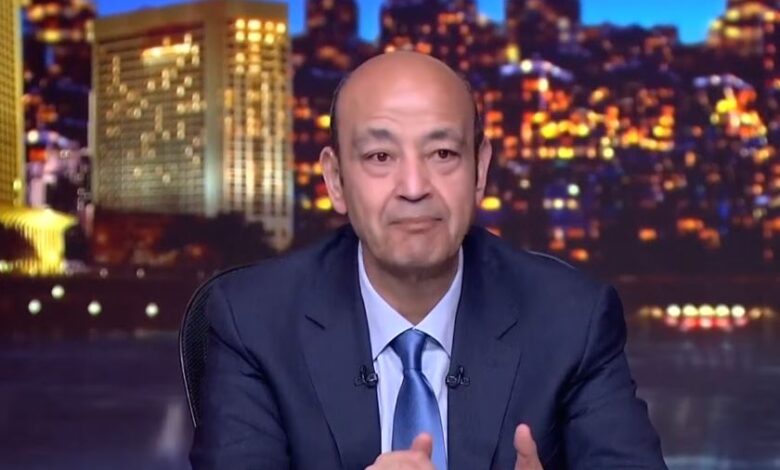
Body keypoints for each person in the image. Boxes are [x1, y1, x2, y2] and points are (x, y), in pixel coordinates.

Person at [189, 51, 666, 469]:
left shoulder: (572, 319)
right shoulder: (252, 320)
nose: (414, 187)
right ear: (335, 180)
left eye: (442, 153)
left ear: (479, 170)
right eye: (380, 157)